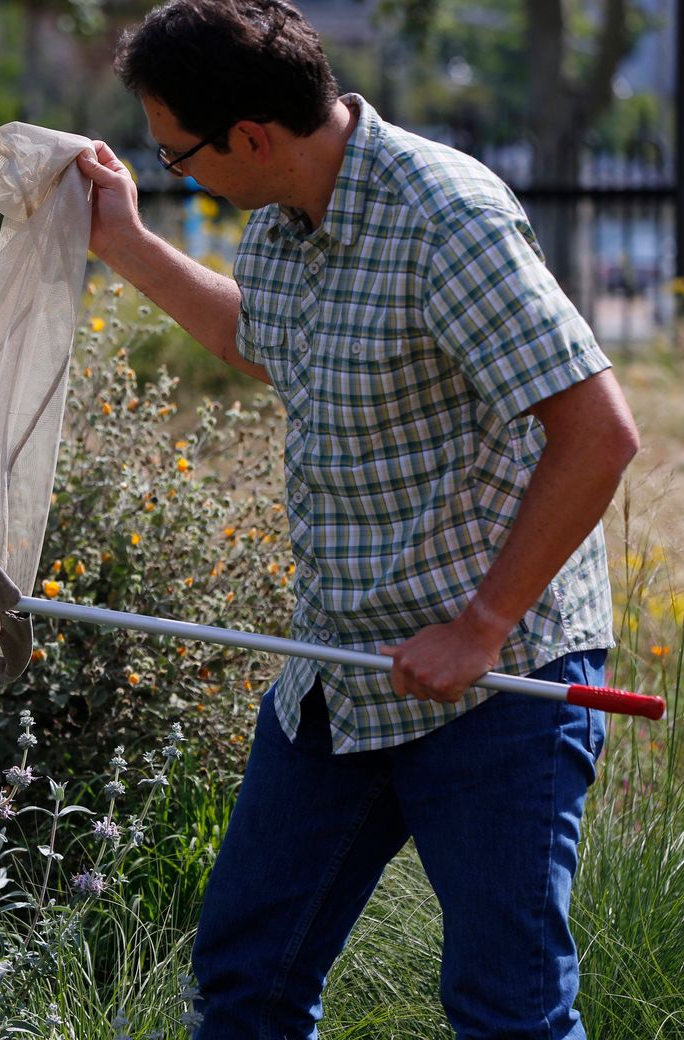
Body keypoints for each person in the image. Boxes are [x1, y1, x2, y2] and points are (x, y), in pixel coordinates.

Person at [74, 2, 640, 1038]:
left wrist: (479, 625)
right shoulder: (285, 218)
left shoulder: (445, 218)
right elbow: (272, 339)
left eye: (177, 153)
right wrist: (125, 242)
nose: (175, 170)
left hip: (495, 681)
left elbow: (598, 431)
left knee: (506, 1009)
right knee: (248, 979)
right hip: (339, 673)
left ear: (252, 135)